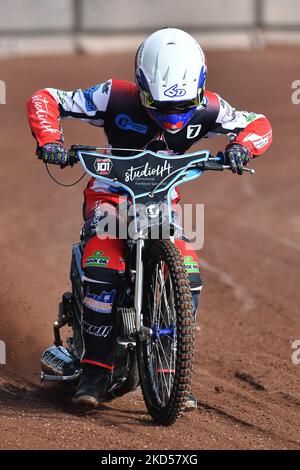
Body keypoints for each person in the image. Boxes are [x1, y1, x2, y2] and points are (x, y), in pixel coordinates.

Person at [27, 28, 272, 407]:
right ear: (141, 87)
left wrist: (241, 147)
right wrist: (51, 141)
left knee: (188, 274)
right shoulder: (113, 96)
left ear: (200, 88)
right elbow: (45, 99)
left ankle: (171, 371)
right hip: (110, 195)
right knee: (103, 267)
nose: (172, 116)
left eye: (182, 105)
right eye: (160, 104)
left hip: (162, 200)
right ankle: (94, 370)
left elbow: (259, 124)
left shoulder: (211, 107)